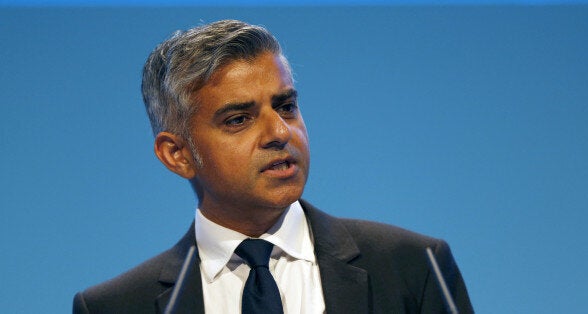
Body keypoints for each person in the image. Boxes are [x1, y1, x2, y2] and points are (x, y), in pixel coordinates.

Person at [73, 20, 473, 314]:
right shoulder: (114, 307)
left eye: (286, 107)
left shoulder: (414, 266)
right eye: (238, 119)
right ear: (177, 154)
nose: (279, 132)